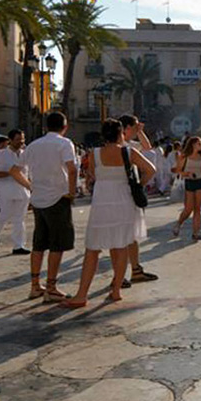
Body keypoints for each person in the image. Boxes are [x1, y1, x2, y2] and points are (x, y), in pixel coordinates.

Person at [63, 119, 155, 307]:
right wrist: (138, 185)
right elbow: (151, 170)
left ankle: (82, 294)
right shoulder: (129, 152)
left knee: (93, 248)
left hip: (102, 201)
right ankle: (116, 291)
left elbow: (91, 176)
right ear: (121, 133)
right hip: (124, 199)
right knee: (120, 246)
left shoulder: (95, 153)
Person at [22, 112, 78, 303]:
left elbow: (15, 169)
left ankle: (35, 286)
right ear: (65, 126)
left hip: (38, 199)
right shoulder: (64, 143)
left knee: (39, 244)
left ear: (46, 127)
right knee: (57, 244)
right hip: (57, 198)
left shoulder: (33, 145)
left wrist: (30, 185)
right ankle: (51, 287)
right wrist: (72, 192)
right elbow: (72, 168)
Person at [119, 115, 159, 284]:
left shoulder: (131, 146)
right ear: (126, 128)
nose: (137, 129)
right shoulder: (118, 147)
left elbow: (147, 147)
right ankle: (119, 274)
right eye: (134, 127)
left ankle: (135, 269)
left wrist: (140, 131)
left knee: (131, 234)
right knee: (120, 236)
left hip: (130, 193)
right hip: (120, 193)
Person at [0, 129, 32, 255]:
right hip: (6, 191)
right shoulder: (1, 154)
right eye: (18, 139)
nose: (21, 142)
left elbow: (28, 173)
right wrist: (12, 173)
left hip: (23, 191)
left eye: (22, 139)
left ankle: (18, 245)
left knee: (20, 219)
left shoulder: (25, 154)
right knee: (4, 216)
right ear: (10, 140)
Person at [173, 136, 201, 240]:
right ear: (193, 144)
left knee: (197, 208)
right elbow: (178, 170)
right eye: (199, 143)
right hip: (189, 181)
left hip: (200, 180)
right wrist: (186, 173)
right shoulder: (184, 156)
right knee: (189, 208)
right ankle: (179, 223)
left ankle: (196, 232)